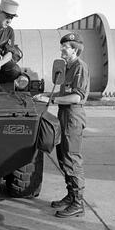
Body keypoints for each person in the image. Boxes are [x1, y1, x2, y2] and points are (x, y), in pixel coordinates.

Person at [35, 32, 89, 218]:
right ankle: (70, 195)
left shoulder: (80, 67)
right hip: (65, 115)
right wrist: (45, 97)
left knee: (72, 159)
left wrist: (54, 101)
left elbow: (76, 97)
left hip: (73, 117)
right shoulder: (68, 67)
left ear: (74, 49)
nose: (61, 50)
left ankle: (78, 203)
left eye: (65, 47)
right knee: (63, 157)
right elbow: (63, 94)